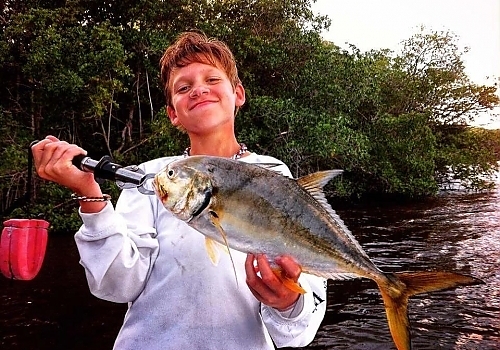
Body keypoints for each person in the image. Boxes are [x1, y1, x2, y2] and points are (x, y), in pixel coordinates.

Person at [31, 31, 327, 349]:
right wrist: (90, 193)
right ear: (173, 113)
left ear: (238, 94)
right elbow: (117, 285)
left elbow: (297, 332)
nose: (199, 89)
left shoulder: (272, 174)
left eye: (212, 79)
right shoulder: (150, 177)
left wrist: (287, 304)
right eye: (183, 87)